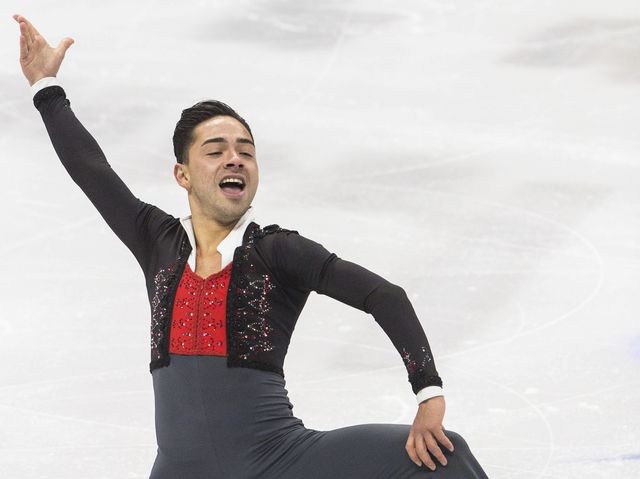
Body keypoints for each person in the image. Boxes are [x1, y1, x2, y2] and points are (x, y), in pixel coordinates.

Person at [13, 13, 490, 479]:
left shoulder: (278, 251)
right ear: (182, 174)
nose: (234, 158)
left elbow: (384, 296)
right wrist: (45, 89)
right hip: (179, 471)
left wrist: (428, 392)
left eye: (246, 150)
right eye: (215, 150)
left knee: (445, 456)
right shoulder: (157, 241)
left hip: (278, 461)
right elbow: (92, 171)